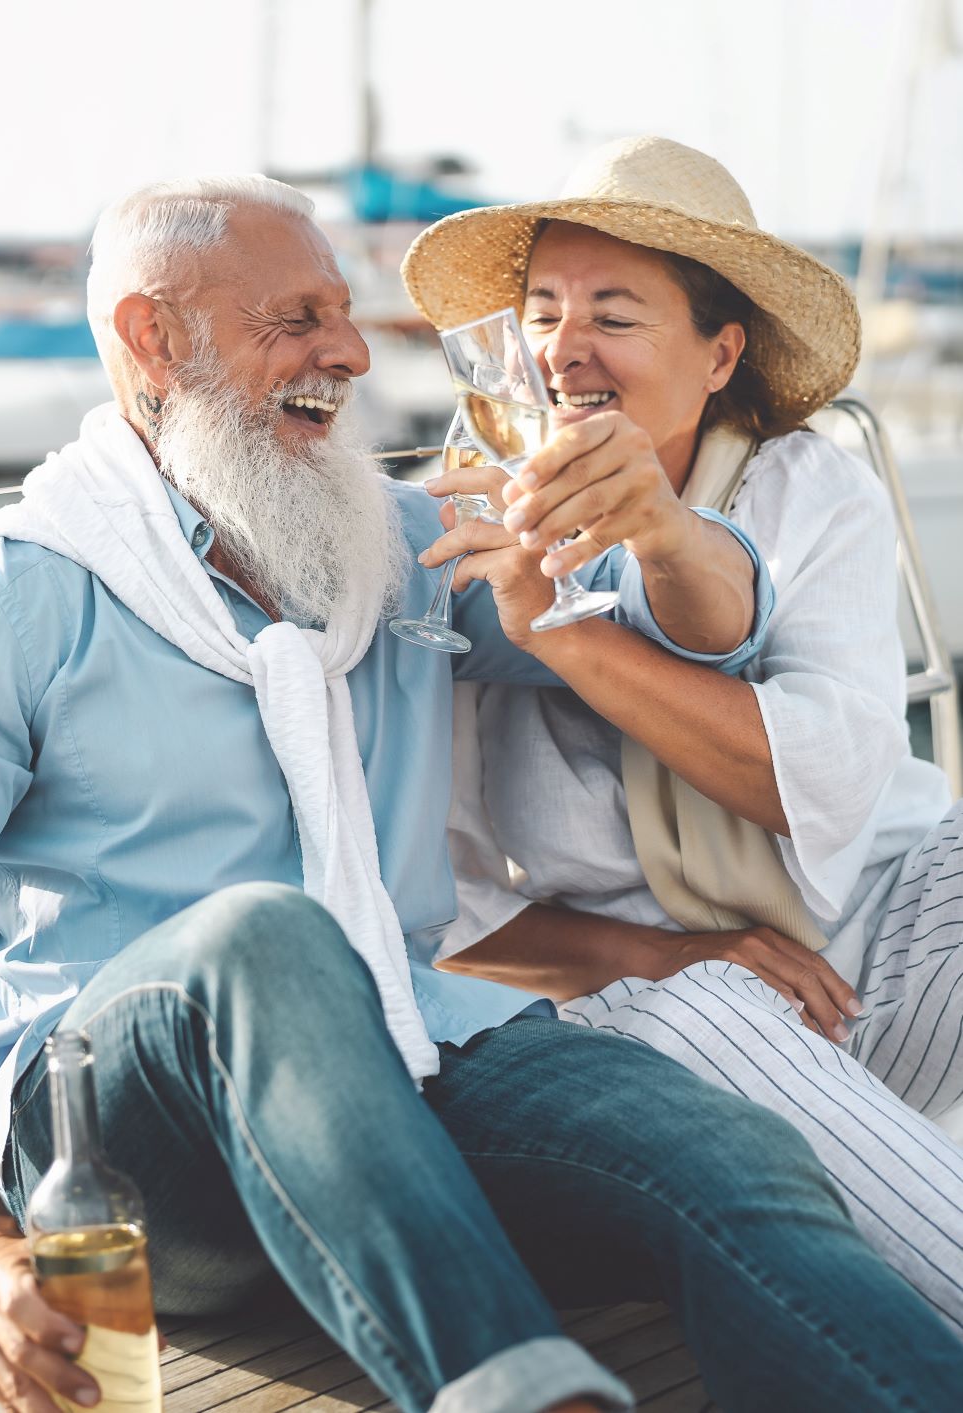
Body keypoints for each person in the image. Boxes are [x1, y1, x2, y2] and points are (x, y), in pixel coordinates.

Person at [0, 174, 963, 1413]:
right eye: (295, 320)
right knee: (268, 935)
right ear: (152, 338)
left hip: (419, 1064)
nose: (347, 352)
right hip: (138, 1153)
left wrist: (665, 533)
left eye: (342, 314)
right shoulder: (4, 604)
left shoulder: (395, 552)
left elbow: (686, 635)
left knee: (733, 1156)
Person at [403, 134, 963, 1338]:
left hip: (874, 929)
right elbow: (445, 923)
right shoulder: (455, 540)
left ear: (720, 355)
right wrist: (678, 959)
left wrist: (567, 633)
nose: (564, 347)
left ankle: (865, 1188)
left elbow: (820, 780)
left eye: (613, 312)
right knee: (716, 1025)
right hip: (653, 990)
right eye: (542, 311)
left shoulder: (805, 490)